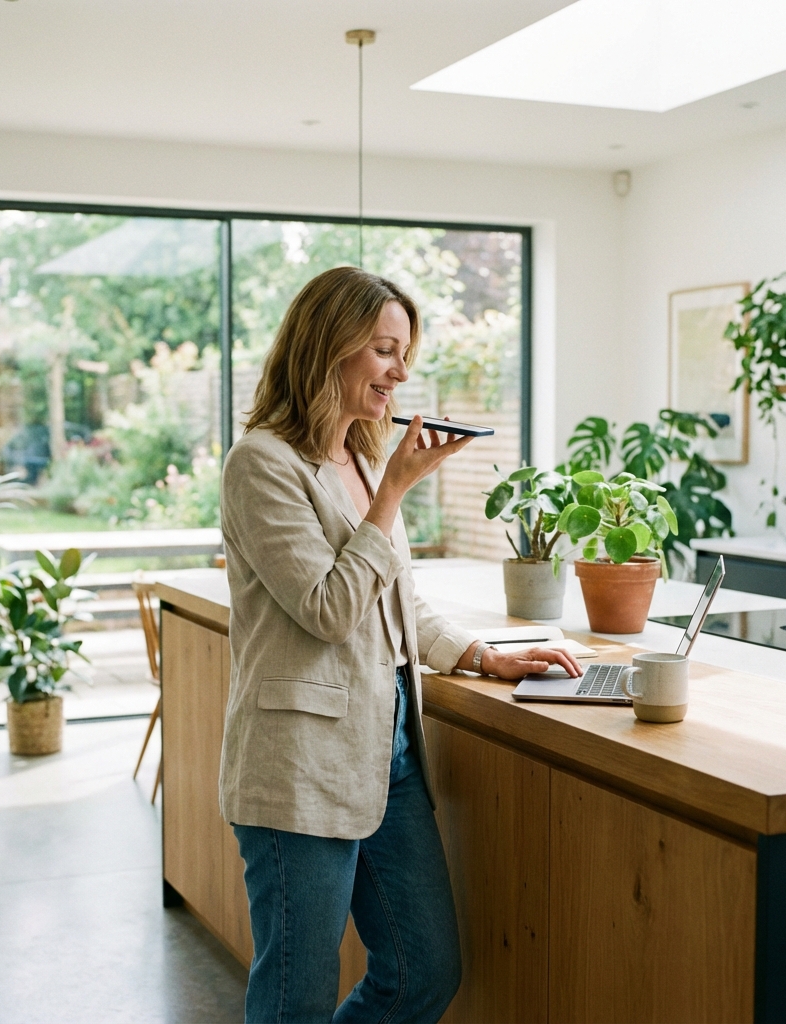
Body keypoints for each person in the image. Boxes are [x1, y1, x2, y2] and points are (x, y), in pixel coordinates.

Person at [219, 266, 581, 1024]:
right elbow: (327, 609)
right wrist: (392, 495)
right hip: (299, 764)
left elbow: (395, 600)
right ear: (328, 346)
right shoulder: (262, 463)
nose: (400, 372)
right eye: (384, 350)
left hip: (390, 754)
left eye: (403, 353)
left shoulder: (359, 457)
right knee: (295, 1001)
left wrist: (481, 655)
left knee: (424, 971)